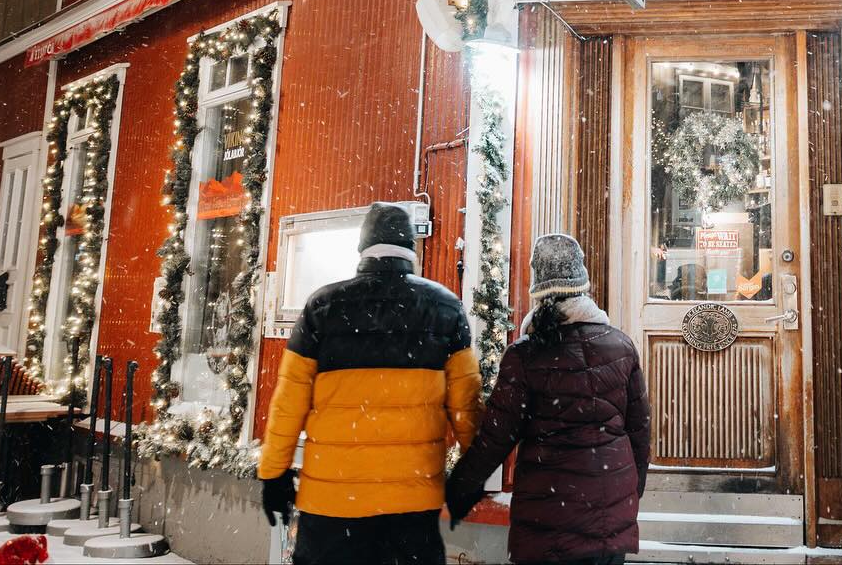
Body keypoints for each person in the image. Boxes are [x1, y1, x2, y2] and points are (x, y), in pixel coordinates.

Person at [258, 202, 482, 565]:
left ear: (362, 249)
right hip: (412, 505)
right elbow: (467, 407)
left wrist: (274, 474)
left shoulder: (322, 307)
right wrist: (469, 480)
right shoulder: (445, 308)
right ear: (411, 249)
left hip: (332, 504)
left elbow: (289, 402)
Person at [446, 234, 649, 565]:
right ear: (582, 284)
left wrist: (460, 488)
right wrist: (629, 492)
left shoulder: (524, 355)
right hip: (608, 515)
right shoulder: (621, 346)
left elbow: (496, 438)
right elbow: (639, 430)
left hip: (547, 516)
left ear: (538, 290)